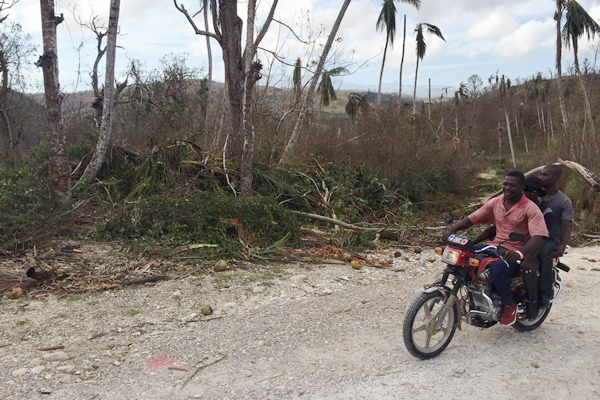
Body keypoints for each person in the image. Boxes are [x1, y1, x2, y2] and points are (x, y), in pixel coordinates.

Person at [442, 171, 548, 326]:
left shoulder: (530, 208)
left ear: (521, 187)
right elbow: (473, 218)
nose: (507, 187)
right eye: (505, 184)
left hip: (514, 252)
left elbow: (539, 236)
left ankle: (508, 303)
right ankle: (468, 292)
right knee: (463, 255)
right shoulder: (496, 202)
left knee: (497, 269)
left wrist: (520, 253)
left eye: (512, 185)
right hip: (493, 246)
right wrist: (452, 230)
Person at [538, 165, 573, 308]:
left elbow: (566, 226)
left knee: (544, 253)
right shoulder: (535, 196)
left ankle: (545, 294)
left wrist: (562, 246)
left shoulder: (564, 201)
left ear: (556, 178)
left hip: (550, 238)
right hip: (532, 235)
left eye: (545, 175)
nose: (541, 177)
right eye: (540, 174)